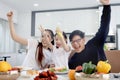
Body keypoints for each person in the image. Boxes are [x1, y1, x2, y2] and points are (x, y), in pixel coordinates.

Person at [68, 0, 111, 69]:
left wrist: (106, 6)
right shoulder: (73, 59)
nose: (75, 44)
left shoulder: (94, 43)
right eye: (73, 42)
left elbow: (104, 27)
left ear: (83, 40)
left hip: (103, 76)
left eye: (78, 40)